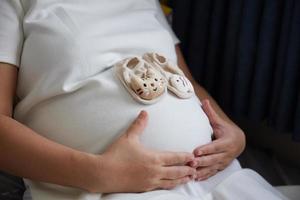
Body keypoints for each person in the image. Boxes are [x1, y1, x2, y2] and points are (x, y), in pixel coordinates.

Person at [0, 0, 288, 199]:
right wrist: (100, 173)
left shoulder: (146, 3)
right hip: (101, 190)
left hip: (214, 178)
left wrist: (234, 134)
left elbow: (189, 83)